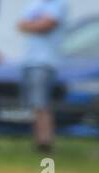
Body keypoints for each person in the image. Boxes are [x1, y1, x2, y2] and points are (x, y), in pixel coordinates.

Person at [18, 0, 67, 153]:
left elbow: (47, 25)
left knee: (42, 104)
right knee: (34, 105)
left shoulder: (59, 4)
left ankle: (46, 142)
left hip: (45, 62)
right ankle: (38, 140)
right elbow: (21, 25)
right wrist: (34, 25)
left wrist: (31, 25)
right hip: (29, 61)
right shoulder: (34, 4)